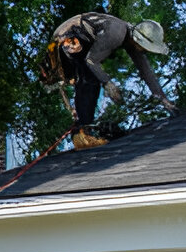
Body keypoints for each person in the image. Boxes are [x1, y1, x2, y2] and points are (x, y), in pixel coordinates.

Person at [40, 12, 178, 149]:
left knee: (91, 76)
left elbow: (146, 71)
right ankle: (83, 133)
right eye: (145, 47)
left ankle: (84, 129)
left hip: (75, 40)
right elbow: (91, 60)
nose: (144, 51)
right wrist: (109, 84)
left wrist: (164, 100)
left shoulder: (129, 39)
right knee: (91, 77)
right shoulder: (116, 33)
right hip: (66, 38)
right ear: (137, 39)